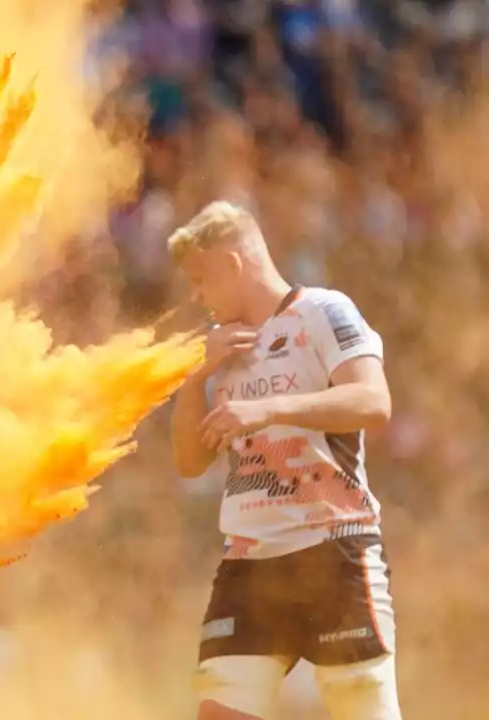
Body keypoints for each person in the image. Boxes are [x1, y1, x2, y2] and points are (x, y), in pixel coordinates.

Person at [166, 201, 401, 720]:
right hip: (250, 561)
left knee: (361, 707)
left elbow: (373, 403)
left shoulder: (322, 311)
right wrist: (194, 379)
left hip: (334, 548)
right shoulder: (220, 348)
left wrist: (268, 408)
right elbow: (189, 462)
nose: (196, 296)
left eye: (201, 280)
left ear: (233, 264)